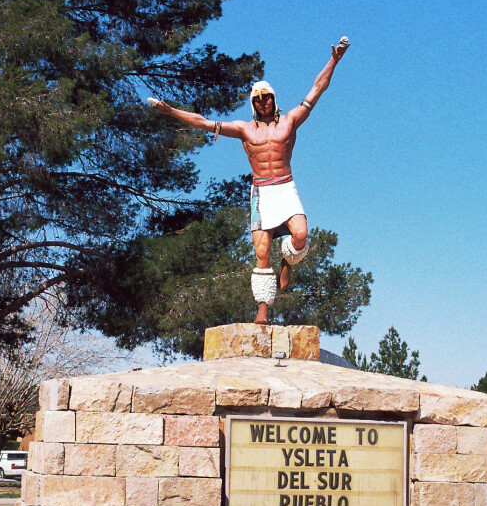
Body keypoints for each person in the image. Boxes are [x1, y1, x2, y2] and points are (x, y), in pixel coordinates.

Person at [147, 37, 350, 324]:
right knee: (261, 251)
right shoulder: (244, 129)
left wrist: (335, 59)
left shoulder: (290, 120)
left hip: (285, 185)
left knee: (302, 234)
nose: (263, 102)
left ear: (274, 99)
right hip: (261, 192)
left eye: (267, 97)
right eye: (257, 99)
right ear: (253, 103)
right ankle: (263, 311)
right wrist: (171, 112)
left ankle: (288, 261)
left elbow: (317, 88)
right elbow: (204, 122)